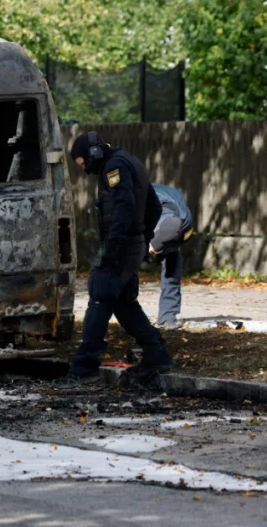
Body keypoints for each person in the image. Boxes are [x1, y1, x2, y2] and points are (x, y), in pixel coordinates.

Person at [53, 132, 171, 390]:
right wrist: (143, 236)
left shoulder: (113, 167)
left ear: (94, 153)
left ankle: (84, 368)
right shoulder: (130, 161)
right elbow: (155, 207)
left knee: (99, 298)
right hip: (131, 242)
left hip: (120, 245)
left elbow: (125, 208)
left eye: (84, 163)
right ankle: (156, 355)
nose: (85, 170)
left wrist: (113, 246)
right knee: (123, 304)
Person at [149, 183, 194, 330]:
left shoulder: (185, 224)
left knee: (172, 266)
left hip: (172, 220)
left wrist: (159, 247)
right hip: (147, 218)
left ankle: (167, 317)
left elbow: (173, 235)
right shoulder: (141, 207)